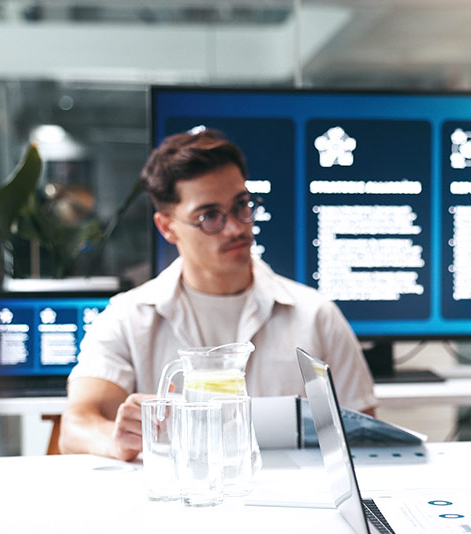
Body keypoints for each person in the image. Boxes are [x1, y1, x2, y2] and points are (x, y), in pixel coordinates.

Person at [60, 129, 377, 460]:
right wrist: (118, 439)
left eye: (242, 205)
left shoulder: (316, 316)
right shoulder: (127, 317)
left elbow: (368, 439)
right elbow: (75, 426)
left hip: (293, 507)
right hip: (175, 504)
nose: (237, 228)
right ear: (167, 227)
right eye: (209, 216)